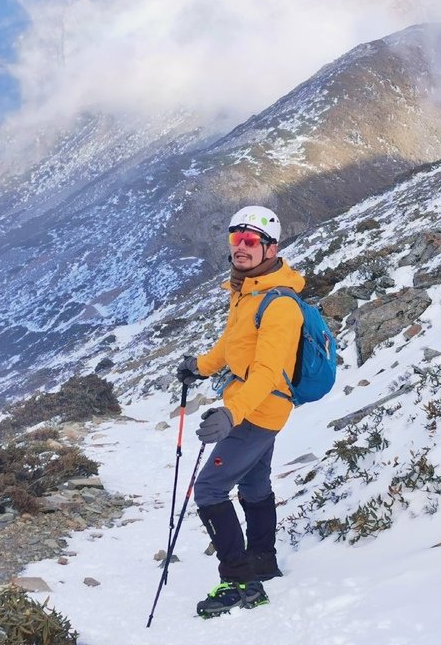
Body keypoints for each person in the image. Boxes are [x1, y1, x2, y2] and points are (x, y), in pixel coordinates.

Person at [176, 205, 305, 618]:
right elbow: (232, 347)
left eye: (251, 241)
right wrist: (199, 366)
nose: (241, 248)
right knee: (253, 484)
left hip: (257, 412)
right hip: (251, 408)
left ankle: (240, 582)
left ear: (271, 248)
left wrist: (232, 415)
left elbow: (268, 371)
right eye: (237, 239)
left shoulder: (280, 305)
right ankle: (263, 561)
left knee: (210, 489)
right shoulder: (245, 291)